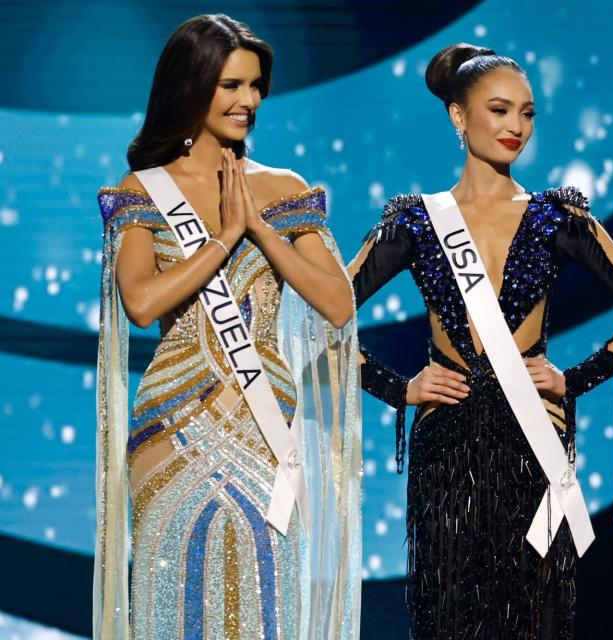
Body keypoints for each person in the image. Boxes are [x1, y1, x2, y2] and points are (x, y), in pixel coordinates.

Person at [348, 43, 613, 639]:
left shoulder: (556, 217)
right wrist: (399, 389)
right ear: (457, 115)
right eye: (499, 111)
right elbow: (320, 321)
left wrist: (577, 378)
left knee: (531, 615)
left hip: (533, 439)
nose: (515, 127)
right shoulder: (416, 221)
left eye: (527, 113)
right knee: (451, 615)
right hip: (445, 444)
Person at [94, 14, 361, 639]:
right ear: (192, 87)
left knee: (265, 608)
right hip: (173, 424)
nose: (249, 101)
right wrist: (226, 238)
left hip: (264, 428)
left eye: (256, 85)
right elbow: (141, 303)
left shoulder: (282, 188)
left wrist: (264, 229)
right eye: (231, 86)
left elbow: (339, 303)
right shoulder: (144, 190)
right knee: (173, 605)